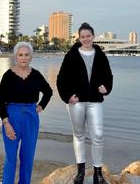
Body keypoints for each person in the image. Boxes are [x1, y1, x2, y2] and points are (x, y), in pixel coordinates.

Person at [57, 22, 113, 184]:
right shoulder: (71, 55)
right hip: (77, 103)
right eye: (83, 37)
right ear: (79, 38)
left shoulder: (100, 55)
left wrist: (106, 88)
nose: (86, 39)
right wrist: (67, 96)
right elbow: (61, 79)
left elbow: (108, 76)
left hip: (95, 102)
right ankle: (80, 171)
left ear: (93, 37)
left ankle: (98, 173)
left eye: (88, 36)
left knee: (98, 136)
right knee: (79, 135)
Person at [0, 42, 53, 184]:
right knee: (11, 157)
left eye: (26, 55)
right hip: (11, 118)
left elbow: (48, 92)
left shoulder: (36, 75)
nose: (23, 58)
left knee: (27, 157)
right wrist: (6, 123)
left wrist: (41, 106)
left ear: (31, 57)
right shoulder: (8, 76)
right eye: (20, 55)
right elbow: (0, 102)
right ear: (16, 56)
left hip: (30, 118)